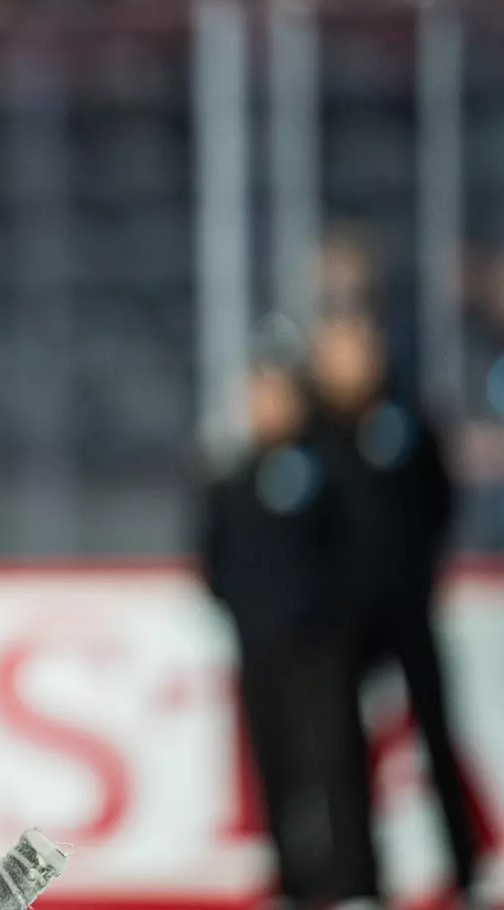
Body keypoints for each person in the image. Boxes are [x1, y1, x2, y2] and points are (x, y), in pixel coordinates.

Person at [197, 337, 374, 907]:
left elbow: (351, 552)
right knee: (275, 772)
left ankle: (354, 884)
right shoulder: (231, 480)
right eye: (255, 395)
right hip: (260, 649)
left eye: (272, 393)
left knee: (336, 770)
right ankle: (294, 887)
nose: (262, 405)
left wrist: (328, 622)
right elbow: (215, 562)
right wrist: (249, 616)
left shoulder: (327, 468)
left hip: (320, 651)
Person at [309, 313, 478, 905]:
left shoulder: (406, 417)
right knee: (339, 750)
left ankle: (465, 870)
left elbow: (440, 496)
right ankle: (358, 882)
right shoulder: (311, 434)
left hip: (408, 605)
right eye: (340, 348)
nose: (353, 360)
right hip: (341, 618)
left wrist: (416, 568)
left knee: (436, 733)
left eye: (361, 346)